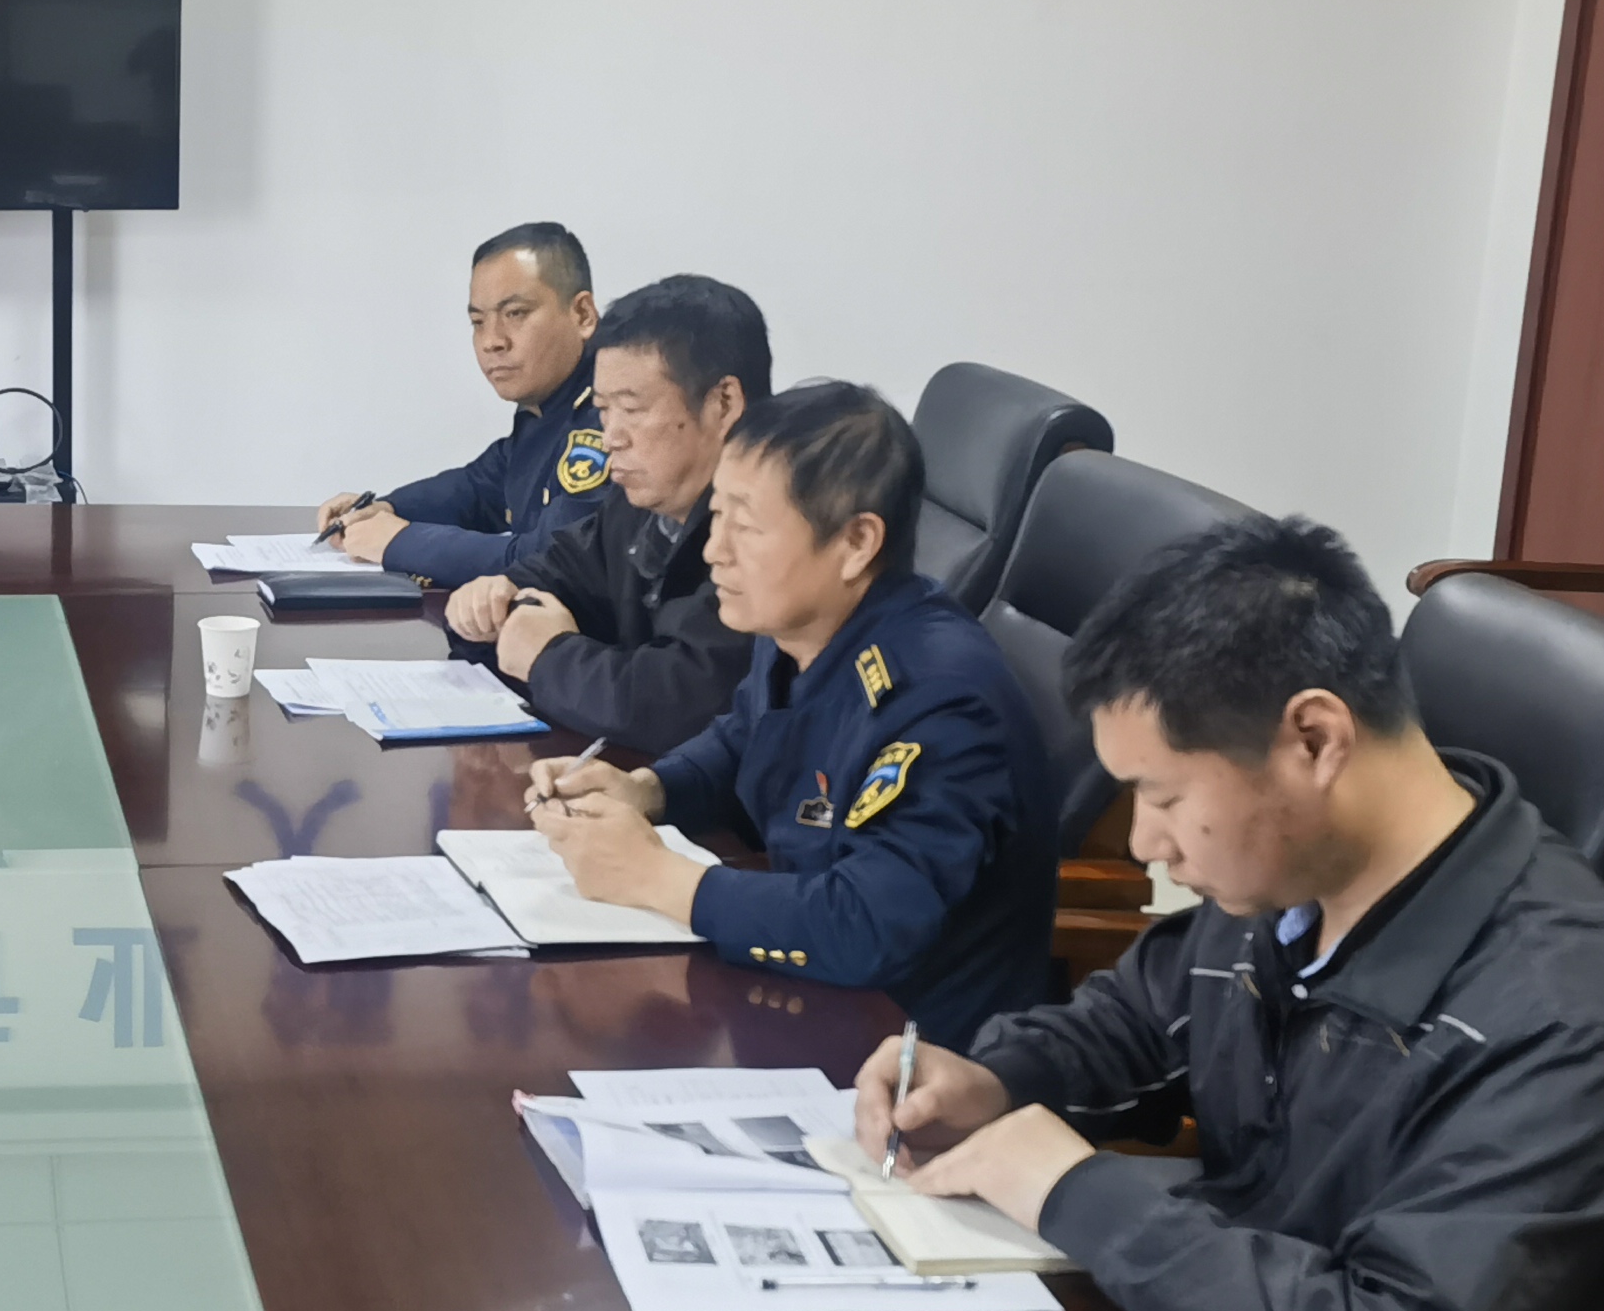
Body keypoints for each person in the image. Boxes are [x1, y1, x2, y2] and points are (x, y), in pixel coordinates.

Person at [851, 516, 1604, 1311]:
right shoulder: (1291, 879)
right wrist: (996, 1076)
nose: (1144, 844)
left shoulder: (1563, 1026)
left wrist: (1076, 1190)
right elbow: (1135, 1019)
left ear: (1313, 739)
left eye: (1163, 796)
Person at [525, 382, 1056, 1035]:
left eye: (745, 527)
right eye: (717, 515)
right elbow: (745, 736)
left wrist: (657, 877)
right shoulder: (804, 627)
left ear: (856, 543)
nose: (715, 550)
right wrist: (648, 790)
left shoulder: (941, 700)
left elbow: (867, 925)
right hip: (804, 999)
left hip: (908, 1053)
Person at [447, 274, 766, 751]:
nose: (610, 437)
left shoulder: (771, 528)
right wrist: (493, 601)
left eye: (632, 410)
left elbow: (680, 704)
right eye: (603, 410)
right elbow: (553, 575)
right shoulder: (641, 505)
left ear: (723, 403)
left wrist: (548, 657)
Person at [313, 222, 607, 585]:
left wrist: (400, 542)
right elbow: (482, 488)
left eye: (515, 313)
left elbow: (553, 559)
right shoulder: (547, 405)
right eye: (478, 321)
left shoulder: (614, 412)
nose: (491, 341)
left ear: (582, 315)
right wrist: (385, 509)